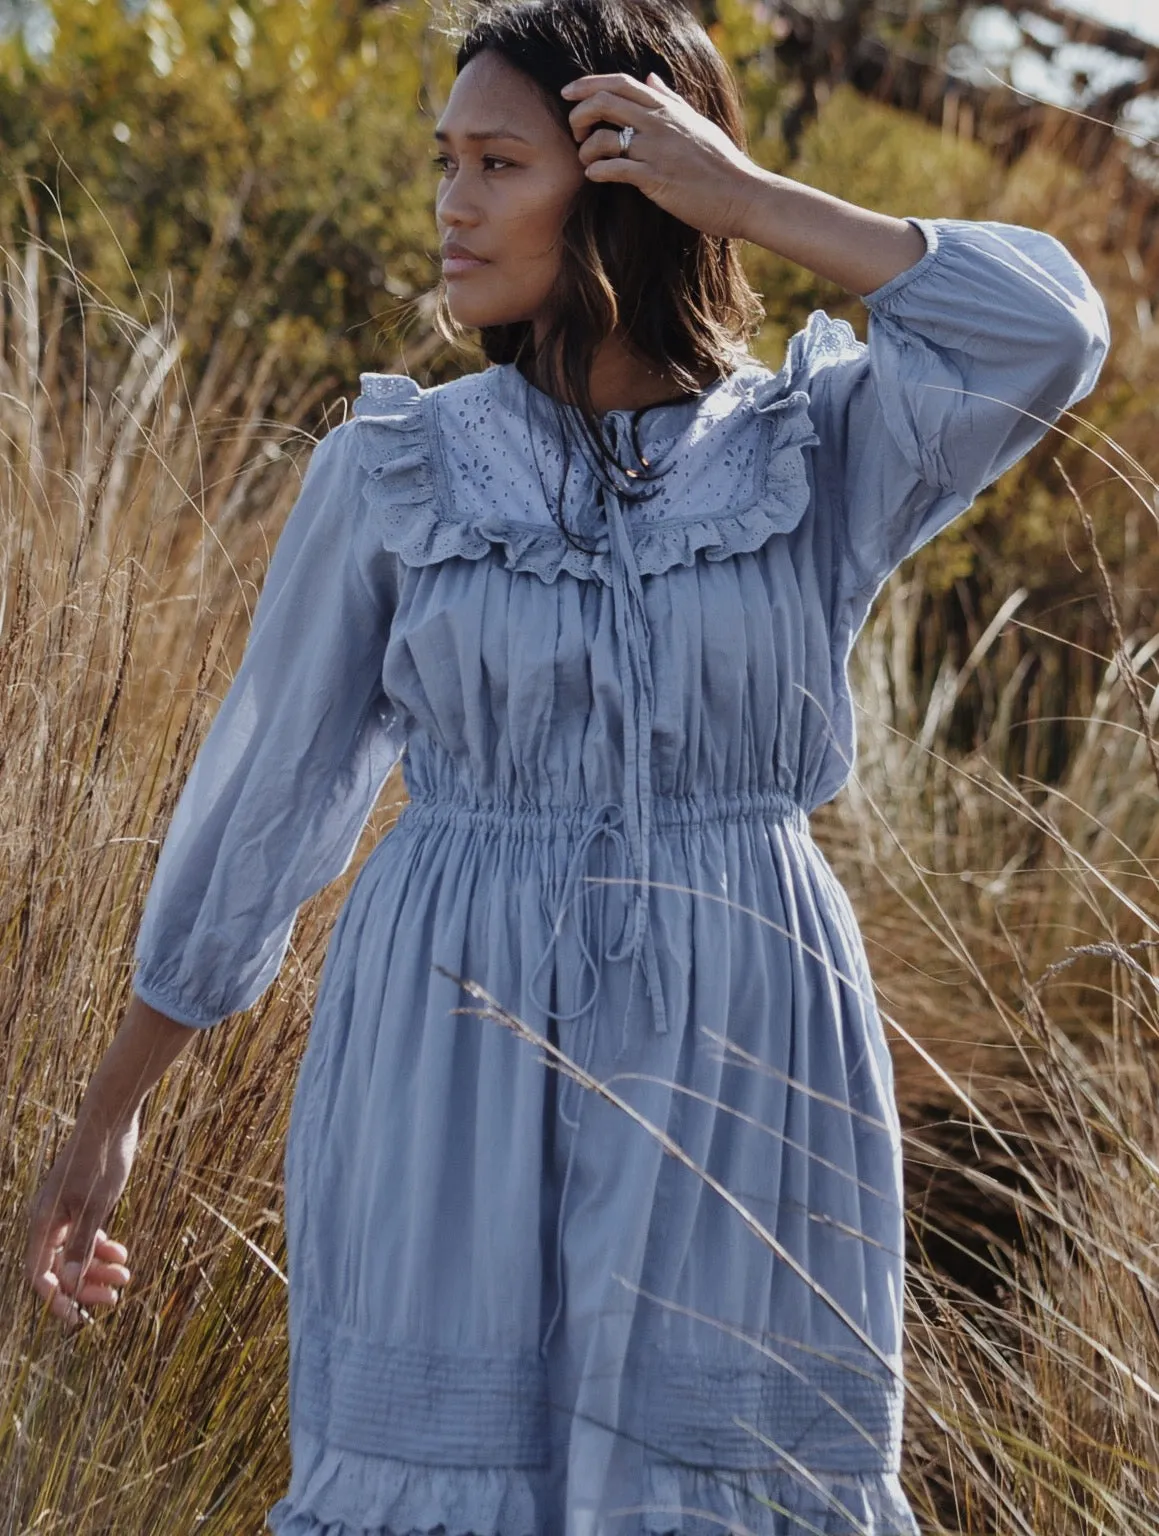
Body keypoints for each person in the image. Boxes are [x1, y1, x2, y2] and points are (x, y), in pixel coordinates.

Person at [24, 0, 1110, 1530]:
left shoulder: (820, 448)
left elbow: (1048, 329)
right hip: (445, 1021)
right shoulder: (396, 469)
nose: (452, 205)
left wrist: (752, 200)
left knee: (729, 1480)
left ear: (626, 187)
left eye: (498, 164)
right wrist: (113, 1106)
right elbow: (266, 799)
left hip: (747, 1026)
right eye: (444, 162)